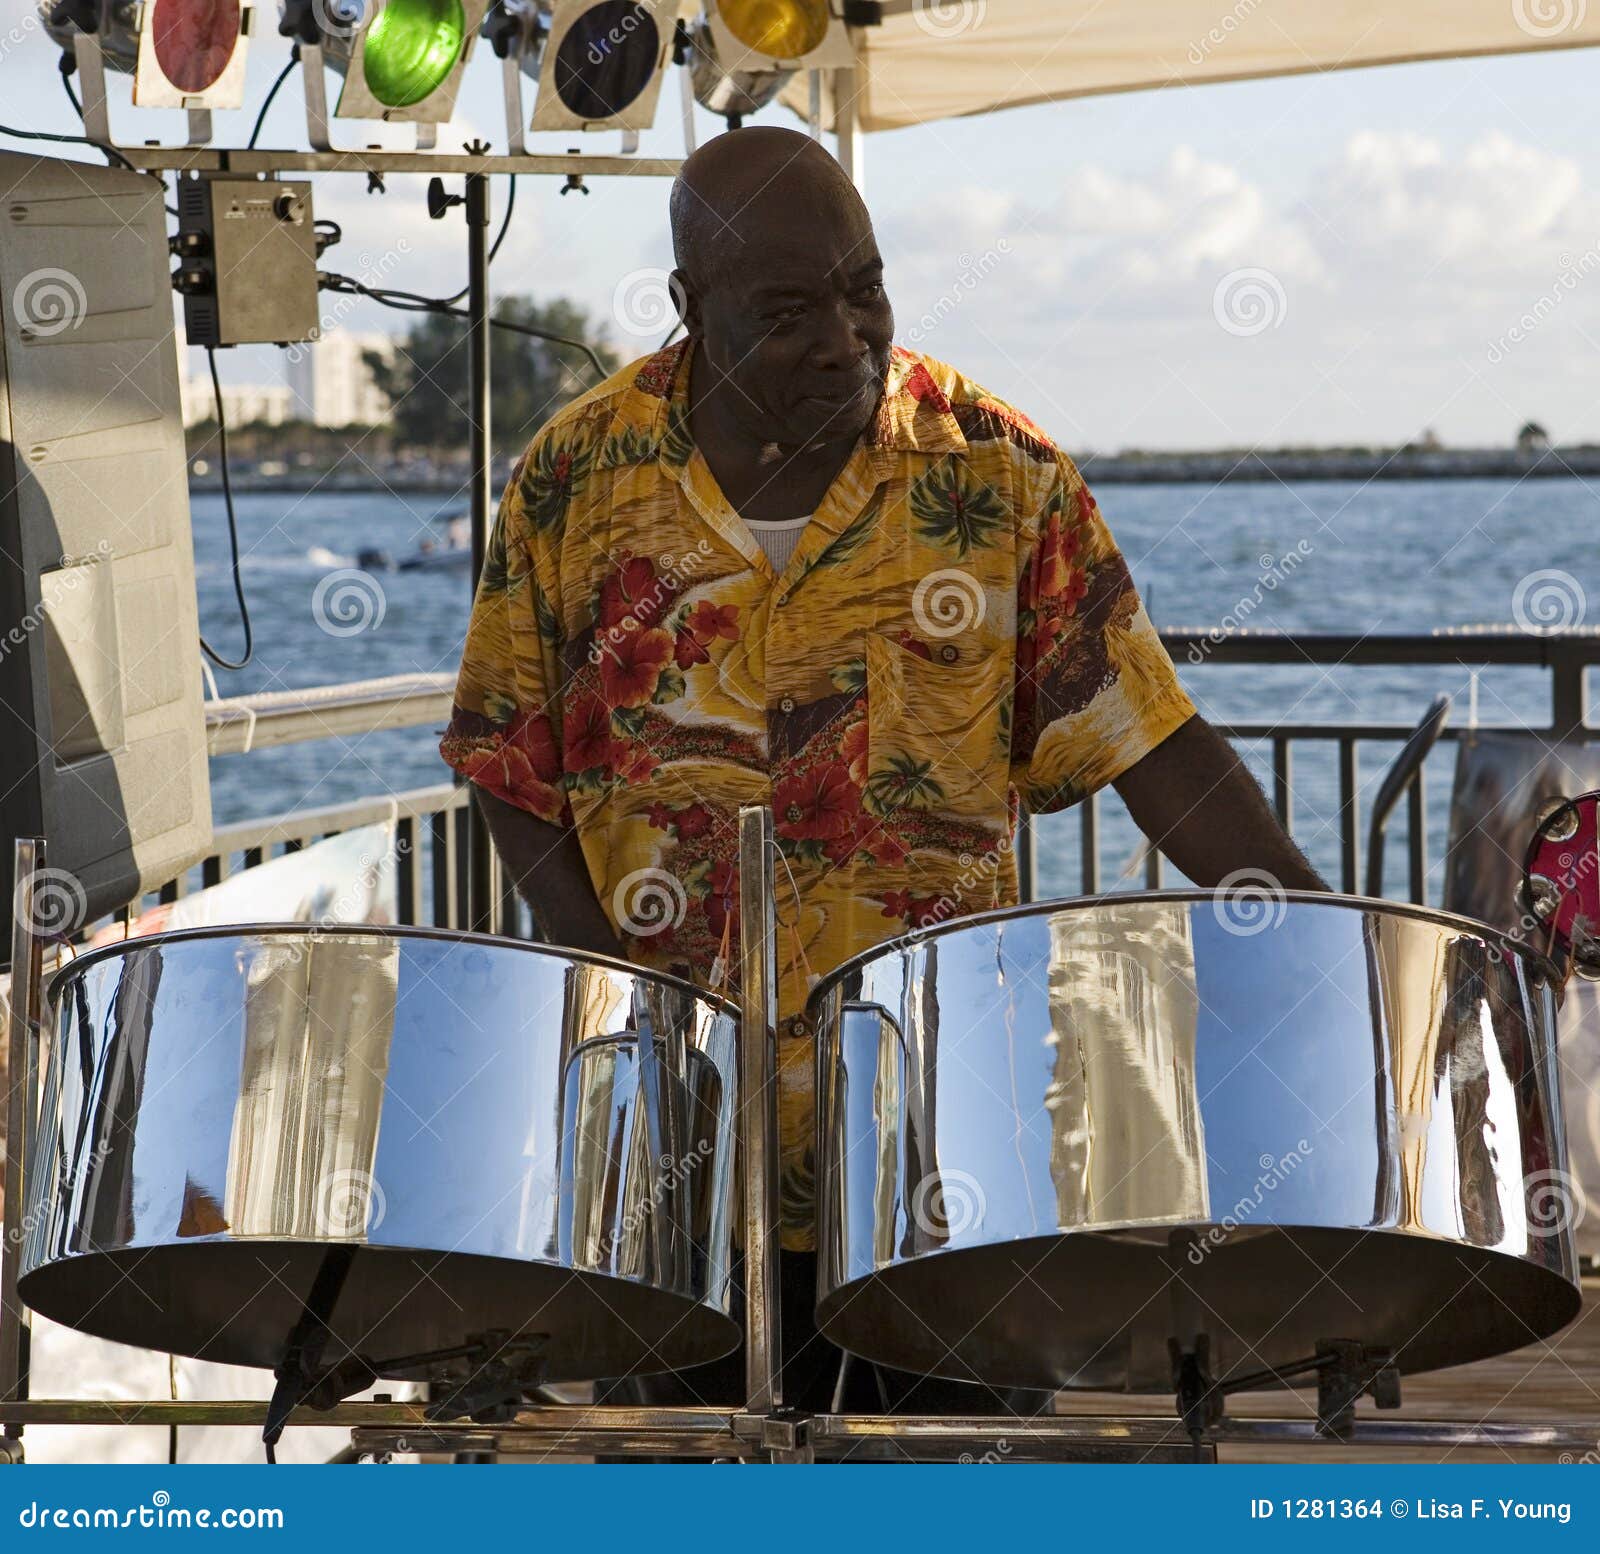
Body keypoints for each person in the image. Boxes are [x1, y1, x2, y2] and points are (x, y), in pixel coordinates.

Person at [439, 125, 1325, 1417]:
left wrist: (1323, 937)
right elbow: (507, 764)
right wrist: (619, 1005)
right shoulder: (576, 483)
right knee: (687, 1472)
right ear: (692, 310)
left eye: (866, 289)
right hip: (682, 1149)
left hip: (936, 1143)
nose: (844, 337)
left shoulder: (994, 471)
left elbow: (1152, 740)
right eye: (789, 310)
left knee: (951, 1480)